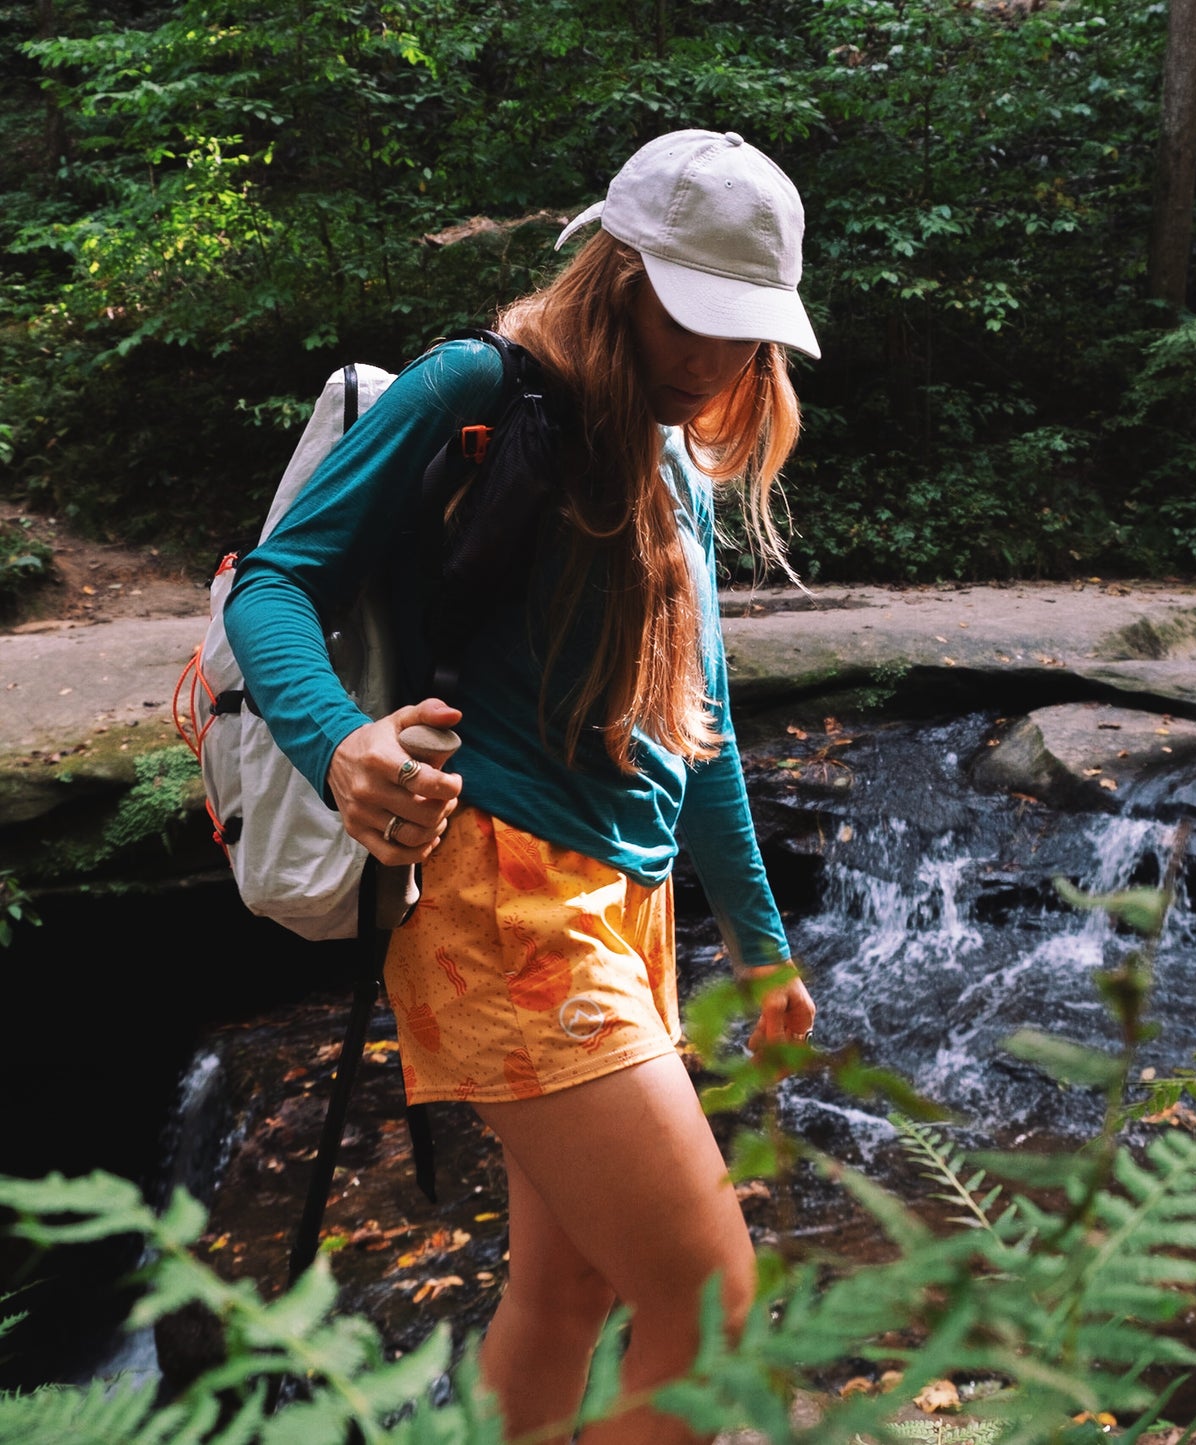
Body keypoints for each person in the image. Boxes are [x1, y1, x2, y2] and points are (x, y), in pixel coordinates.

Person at [225, 129, 820, 1444]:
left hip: (629, 903)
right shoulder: (472, 389)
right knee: (713, 1308)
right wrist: (338, 741)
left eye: (747, 331)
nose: (723, 359)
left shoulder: (671, 459)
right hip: (502, 890)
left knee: (570, 1288)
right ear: (619, 273)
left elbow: (694, 727)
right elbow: (276, 582)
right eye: (699, 320)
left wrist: (762, 947)